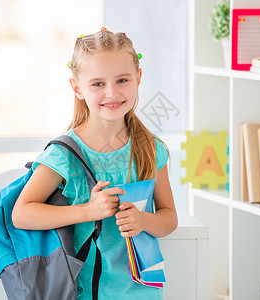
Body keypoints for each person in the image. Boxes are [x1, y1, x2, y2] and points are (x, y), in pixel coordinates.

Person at [12, 28, 178, 300]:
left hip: (142, 293)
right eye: (98, 84)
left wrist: (143, 220)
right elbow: (22, 214)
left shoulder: (151, 149)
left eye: (122, 80)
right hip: (82, 292)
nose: (112, 93)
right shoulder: (65, 154)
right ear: (77, 88)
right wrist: (87, 211)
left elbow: (169, 217)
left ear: (138, 78)